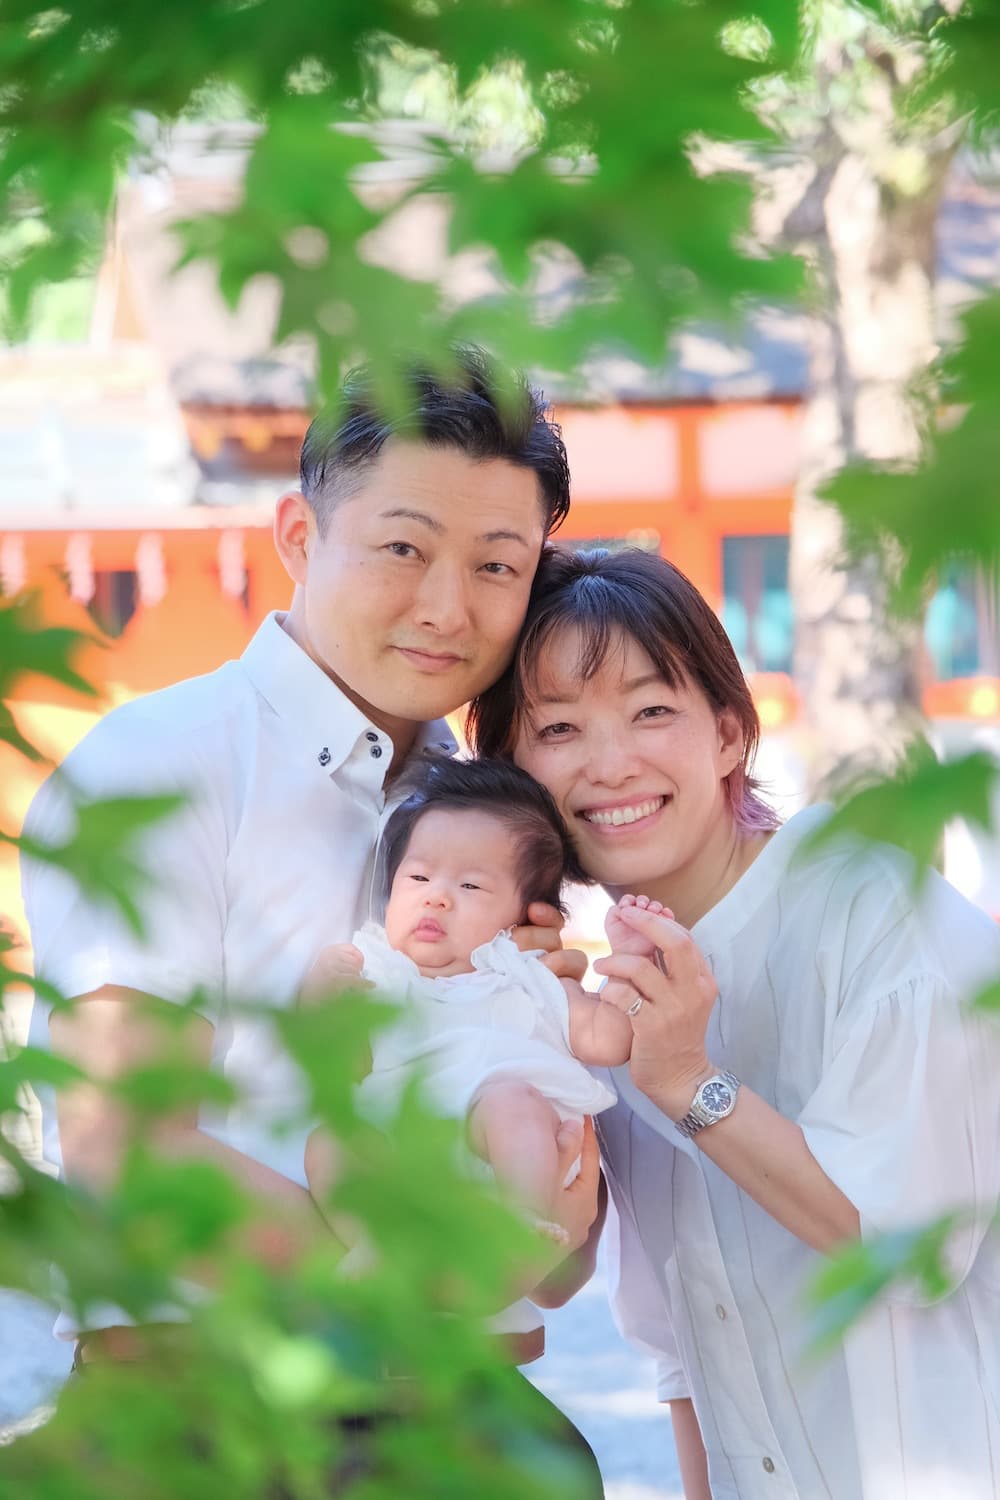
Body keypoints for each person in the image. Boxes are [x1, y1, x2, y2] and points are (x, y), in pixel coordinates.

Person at [20, 349, 604, 1478]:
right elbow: (124, 1149)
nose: (448, 606)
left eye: (498, 565)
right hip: (217, 1418)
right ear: (297, 536)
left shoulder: (492, 823)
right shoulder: (166, 765)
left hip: (461, 1428)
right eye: (402, 547)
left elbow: (561, 1267)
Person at [469, 543, 1000, 1500]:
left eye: (651, 710)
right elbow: (684, 1339)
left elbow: (901, 1250)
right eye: (557, 728)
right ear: (512, 767)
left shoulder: (872, 906)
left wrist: (686, 1083)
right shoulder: (611, 984)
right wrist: (510, 1040)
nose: (610, 762)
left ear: (728, 736)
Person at [301, 755, 647, 1240]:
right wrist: (326, 999)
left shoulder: (527, 971)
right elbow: (344, 1070)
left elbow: (607, 1039)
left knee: (511, 1101)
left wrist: (628, 967)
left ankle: (520, 1217)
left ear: (523, 917)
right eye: (418, 878)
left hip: (504, 1152)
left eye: (470, 885)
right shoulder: (375, 970)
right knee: (328, 1143)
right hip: (403, 1148)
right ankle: (375, 1247)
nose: (436, 897)